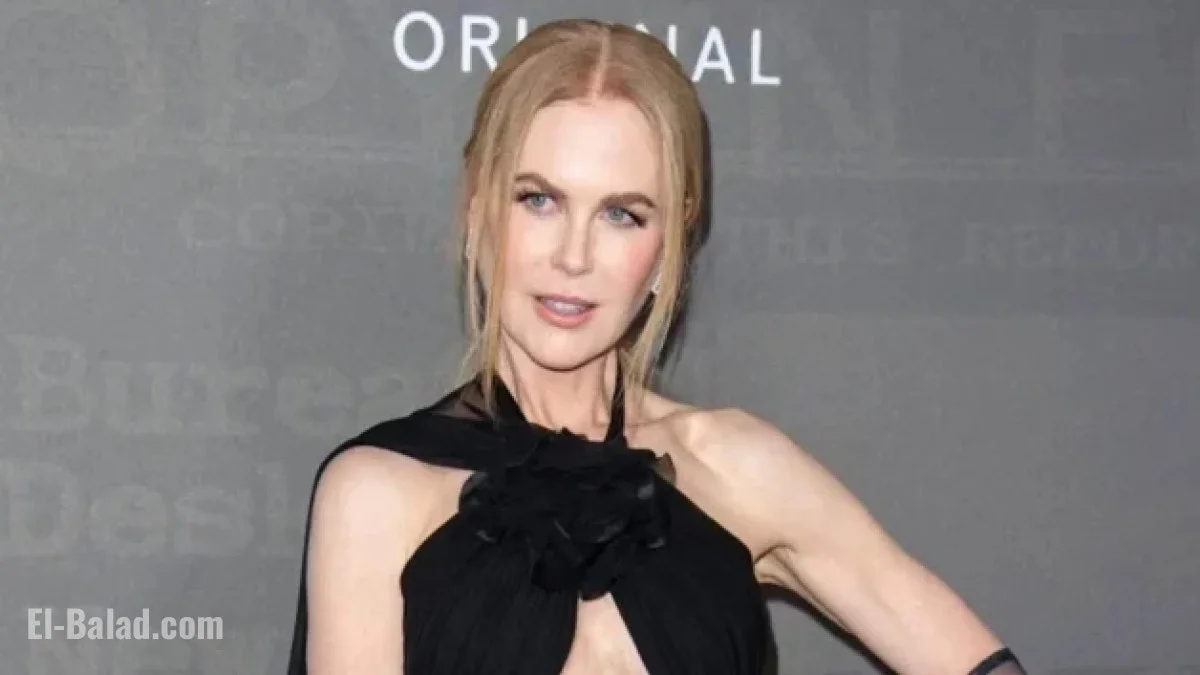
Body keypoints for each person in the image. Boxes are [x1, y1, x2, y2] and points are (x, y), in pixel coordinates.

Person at [286, 17, 1027, 675]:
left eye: (622, 214)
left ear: (671, 241)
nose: (573, 256)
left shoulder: (736, 467)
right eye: (538, 199)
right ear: (478, 207)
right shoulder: (378, 493)